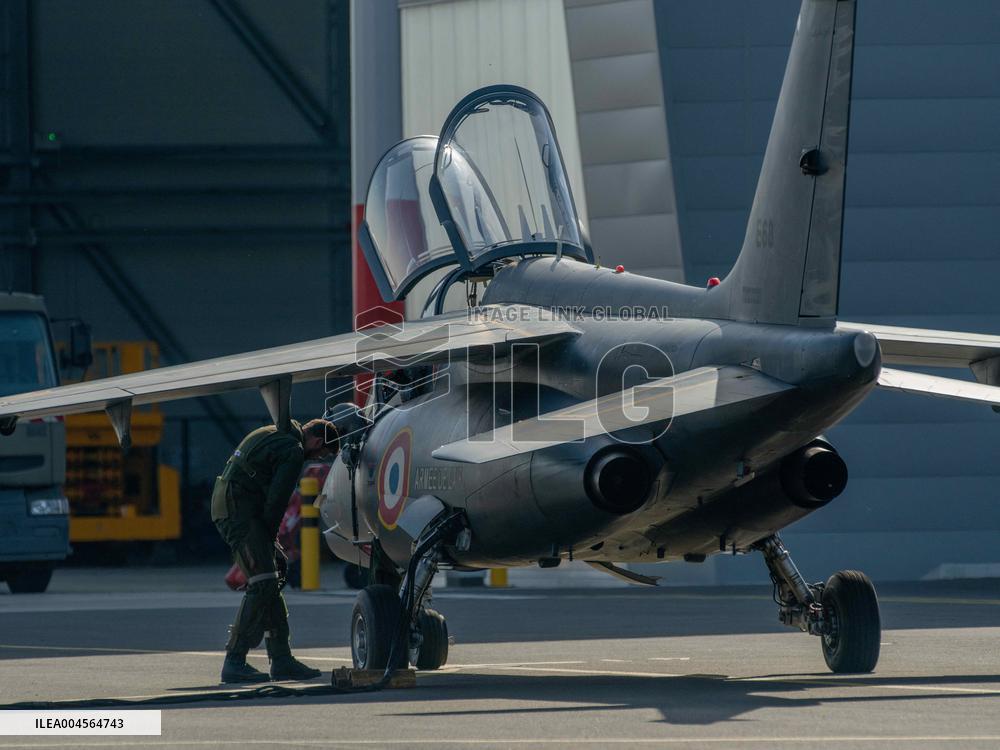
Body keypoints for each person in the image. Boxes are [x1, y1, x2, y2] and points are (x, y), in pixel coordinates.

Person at [211, 418, 337, 683]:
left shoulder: (278, 431)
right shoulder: (292, 450)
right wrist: (271, 540)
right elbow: (277, 500)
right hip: (239, 511)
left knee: (271, 581)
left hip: (235, 507)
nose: (318, 458)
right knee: (262, 582)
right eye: (323, 452)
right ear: (316, 441)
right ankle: (234, 660)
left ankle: (281, 659)